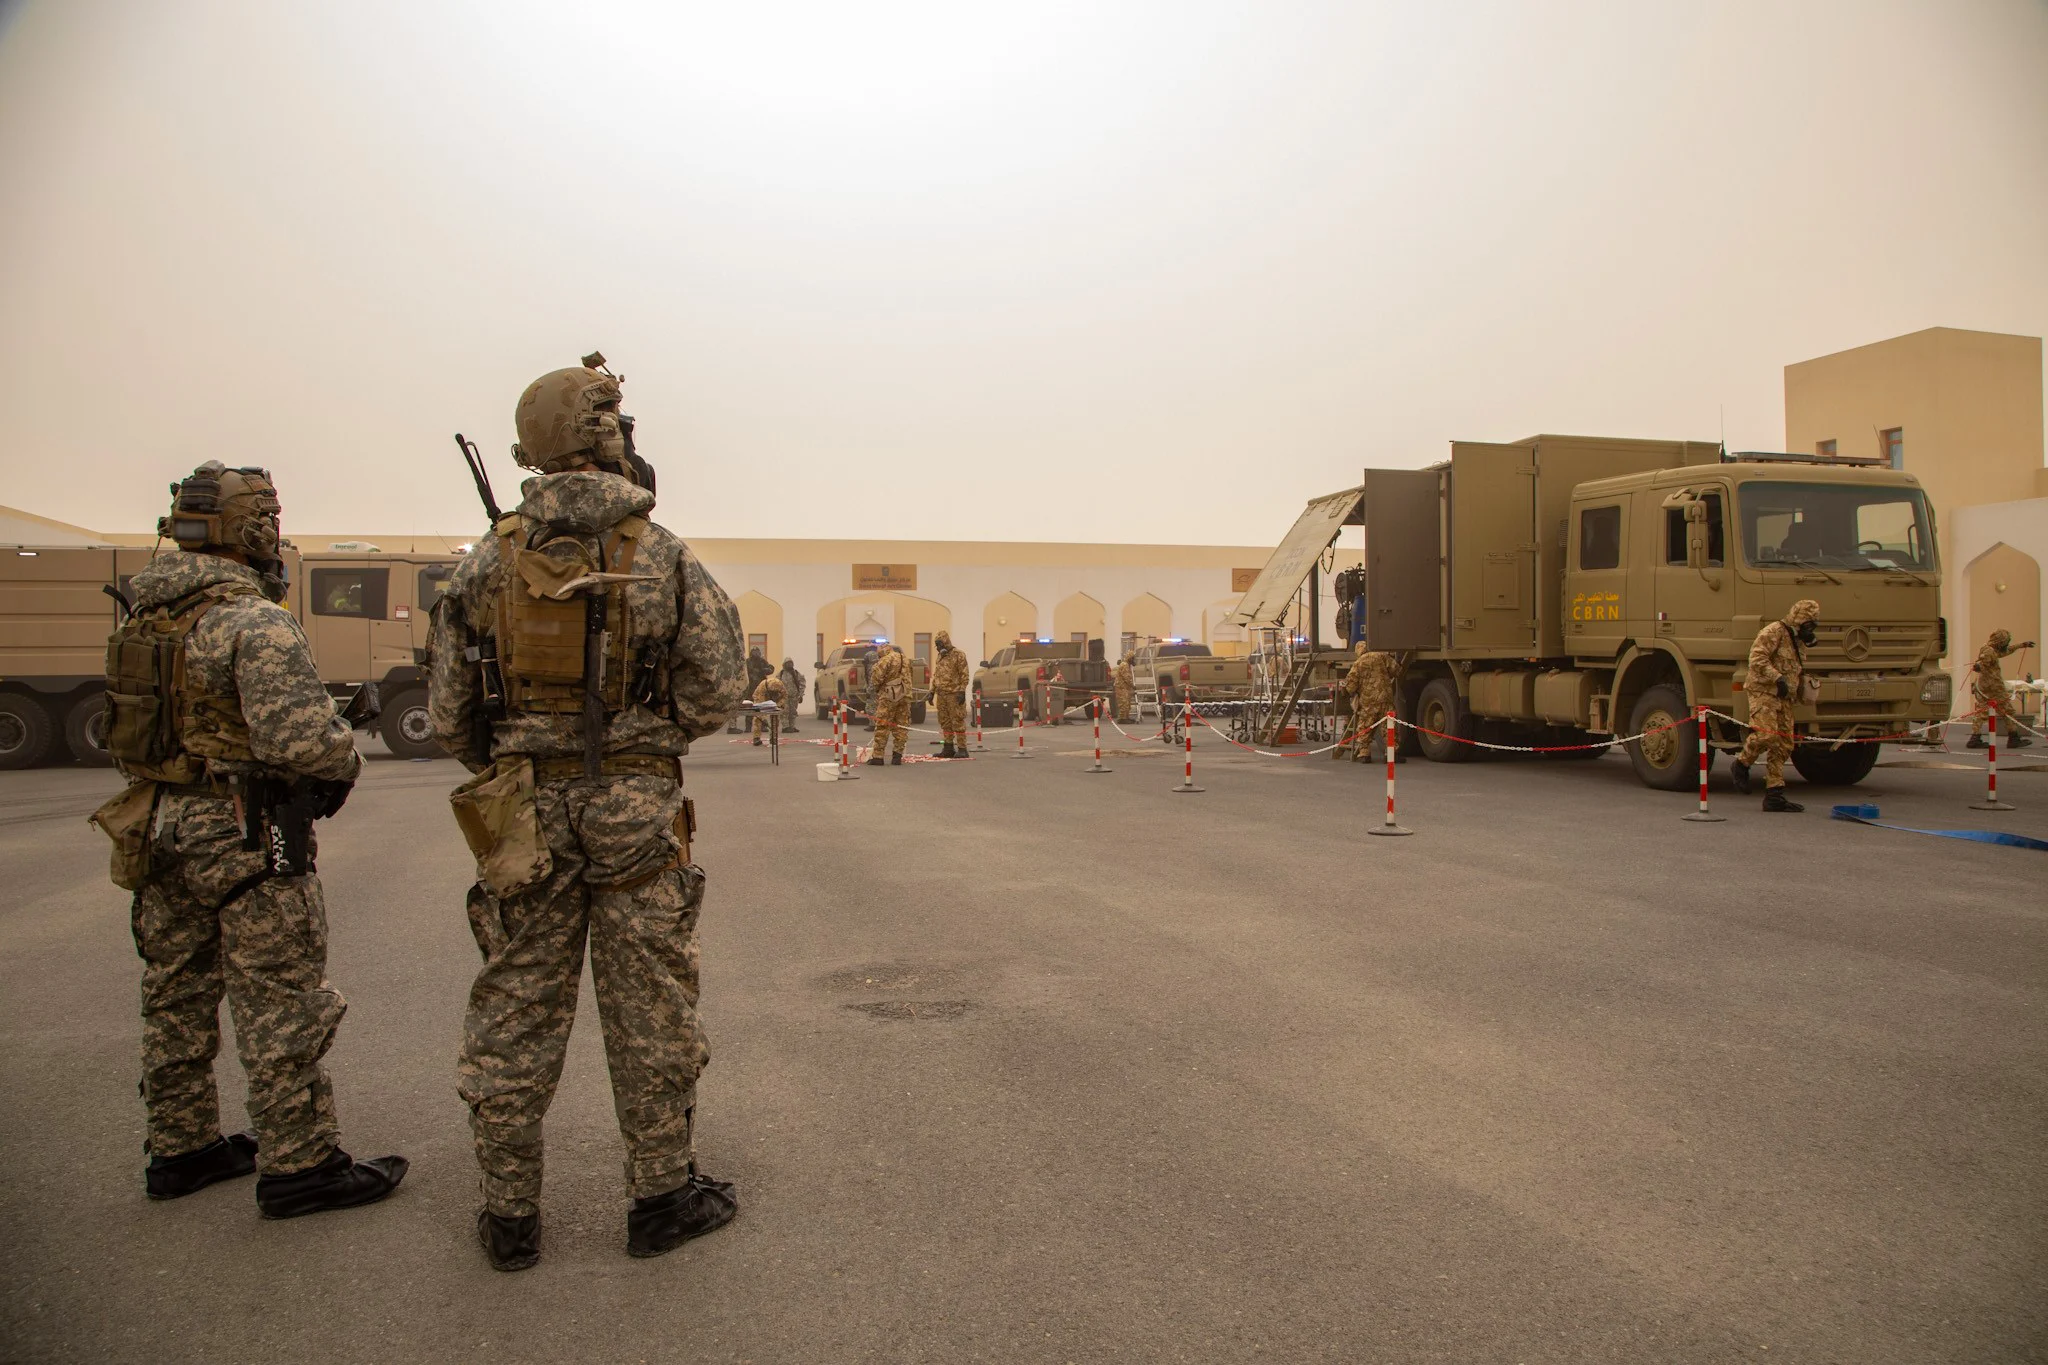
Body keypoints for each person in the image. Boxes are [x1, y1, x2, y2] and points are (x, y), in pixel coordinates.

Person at [428, 353, 746, 1271]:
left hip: (524, 807)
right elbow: (717, 686)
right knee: (650, 1000)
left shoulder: (487, 559)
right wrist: (648, 738)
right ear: (606, 435)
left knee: (516, 1001)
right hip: (634, 806)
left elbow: (450, 713)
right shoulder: (663, 553)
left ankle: (509, 1214)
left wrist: (519, 755)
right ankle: (660, 1196)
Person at [92, 462, 406, 1217]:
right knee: (278, 999)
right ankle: (301, 1163)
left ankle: (181, 1147)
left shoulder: (144, 617)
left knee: (175, 991)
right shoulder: (251, 620)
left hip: (158, 823)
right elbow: (302, 740)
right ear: (254, 531)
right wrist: (345, 754)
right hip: (241, 829)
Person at [1730, 598, 1820, 810]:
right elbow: (1757, 659)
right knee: (1766, 734)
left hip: (1785, 696)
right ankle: (1741, 763)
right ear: (1797, 619)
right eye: (1806, 623)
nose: (1809, 628)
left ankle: (1774, 793)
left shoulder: (1798, 639)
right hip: (1764, 691)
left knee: (1784, 744)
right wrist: (1777, 677)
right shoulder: (1774, 631)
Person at [1967, 628, 2035, 749]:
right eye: (2005, 642)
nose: (2006, 645)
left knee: (1981, 712)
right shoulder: (1989, 651)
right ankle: (2013, 738)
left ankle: (1975, 738)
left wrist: (2021, 645)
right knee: (2008, 711)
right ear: (2001, 641)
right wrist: (1979, 666)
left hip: (1984, 686)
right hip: (1994, 687)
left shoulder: (1990, 649)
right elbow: (1983, 664)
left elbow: (2005, 652)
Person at [1336, 645, 1404, 763]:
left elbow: (1351, 685)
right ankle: (1390, 754)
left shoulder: (1358, 663)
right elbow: (1396, 670)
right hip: (1384, 698)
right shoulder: (1381, 656)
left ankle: (1364, 754)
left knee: (1365, 727)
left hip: (1368, 701)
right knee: (1388, 726)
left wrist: (1347, 692)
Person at [864, 643, 911, 765]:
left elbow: (876, 680)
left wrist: (874, 690)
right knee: (901, 726)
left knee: (882, 725)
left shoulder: (885, 660)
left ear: (882, 651)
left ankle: (878, 757)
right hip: (904, 695)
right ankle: (897, 756)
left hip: (888, 696)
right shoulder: (903, 658)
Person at [930, 630, 970, 757]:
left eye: (940, 644)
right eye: (936, 645)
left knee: (957, 721)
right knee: (945, 722)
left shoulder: (958, 655)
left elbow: (964, 674)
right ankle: (948, 748)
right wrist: (932, 692)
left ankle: (962, 749)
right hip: (941, 695)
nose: (938, 647)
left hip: (954, 694)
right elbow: (937, 676)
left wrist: (962, 691)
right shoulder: (940, 657)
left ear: (946, 642)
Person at [750, 674, 786, 746]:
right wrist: (764, 717)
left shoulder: (780, 686)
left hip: (775, 699)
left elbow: (784, 696)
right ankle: (756, 737)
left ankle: (773, 738)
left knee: (775, 718)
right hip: (760, 698)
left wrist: (778, 705)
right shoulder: (763, 686)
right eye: (772, 692)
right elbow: (760, 703)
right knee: (758, 717)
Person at [778, 657, 805, 735]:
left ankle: (792, 726)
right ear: (784, 664)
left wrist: (801, 694)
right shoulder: (781, 674)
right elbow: (776, 684)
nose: (789, 665)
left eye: (791, 663)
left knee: (793, 712)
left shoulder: (796, 673)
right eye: (788, 663)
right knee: (784, 711)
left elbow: (802, 683)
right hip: (783, 696)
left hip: (794, 696)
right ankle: (785, 727)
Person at [1112, 654, 1136, 724]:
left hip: (1125, 687)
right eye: (1132, 658)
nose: (1133, 660)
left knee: (1127, 703)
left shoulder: (1127, 665)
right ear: (1129, 658)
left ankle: (1126, 717)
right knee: (1123, 702)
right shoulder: (1124, 665)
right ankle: (1122, 718)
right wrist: (1132, 685)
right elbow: (1127, 678)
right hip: (1121, 687)